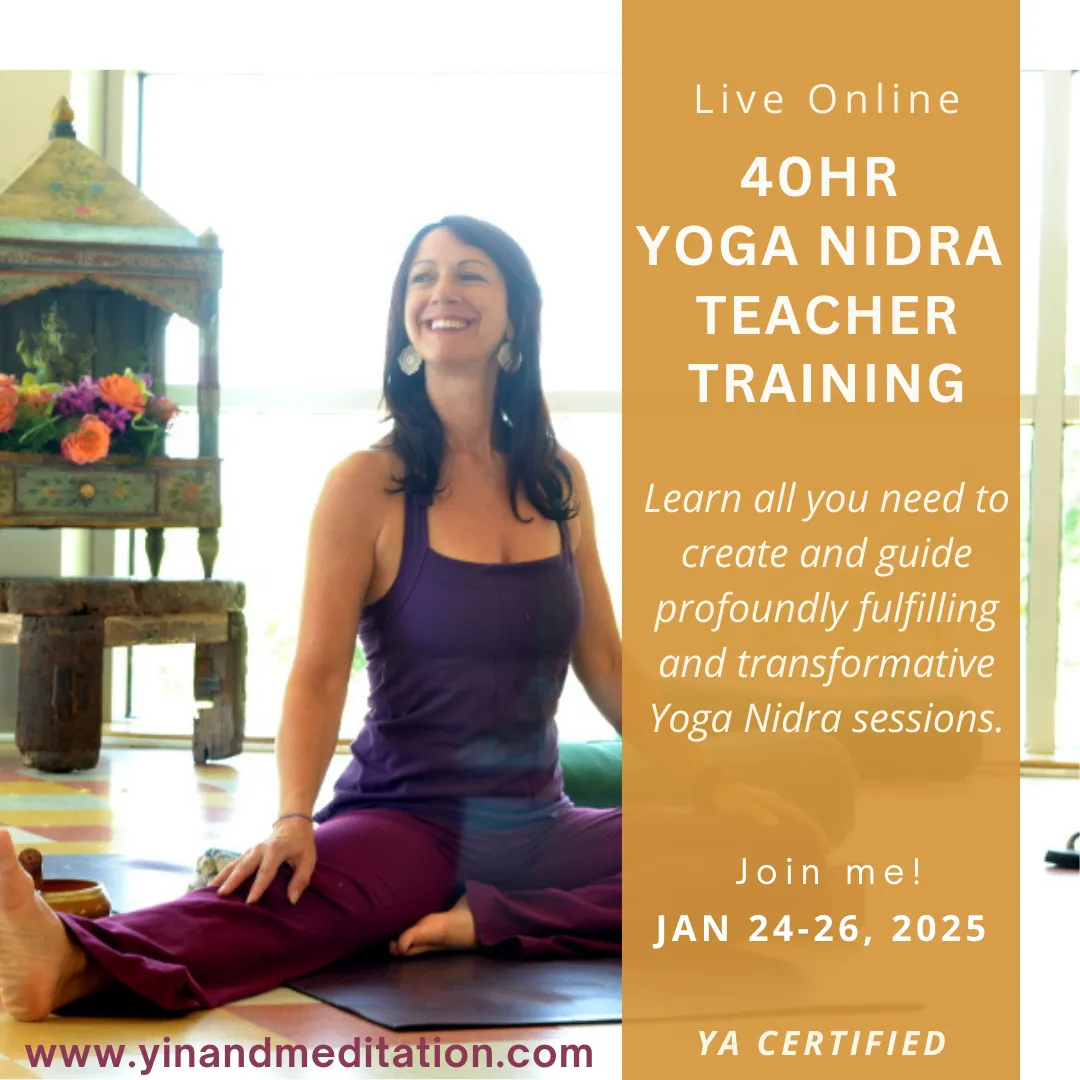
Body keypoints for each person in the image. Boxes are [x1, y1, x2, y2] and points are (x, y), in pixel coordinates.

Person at [0, 215, 826, 1023]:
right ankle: (70, 961)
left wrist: (719, 787)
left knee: (782, 865)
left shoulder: (560, 481)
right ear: (405, 314)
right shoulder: (367, 484)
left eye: (471, 273)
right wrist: (293, 817)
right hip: (406, 818)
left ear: (514, 315)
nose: (442, 290)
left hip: (538, 823)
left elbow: (605, 660)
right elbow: (318, 671)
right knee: (282, 897)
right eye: (423, 275)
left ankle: (491, 921)